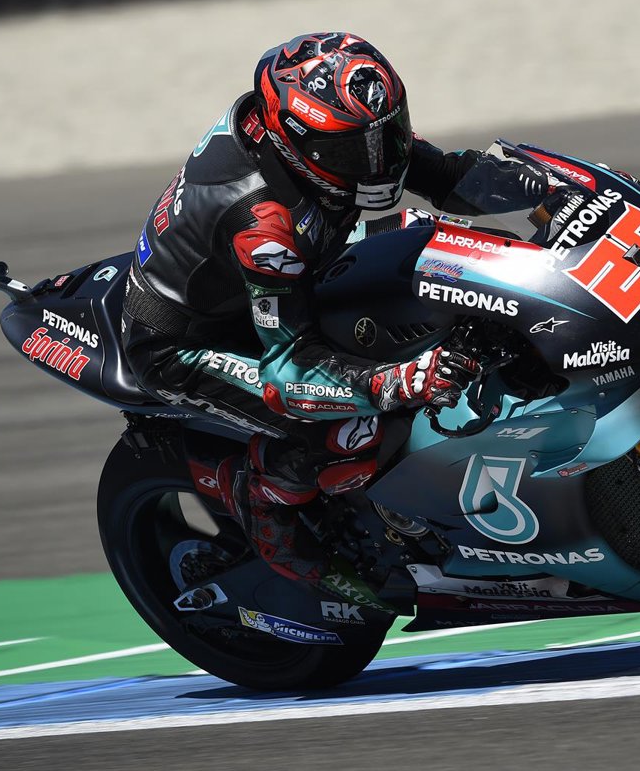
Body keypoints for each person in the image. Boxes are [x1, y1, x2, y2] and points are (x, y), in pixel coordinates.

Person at [121, 32, 545, 583]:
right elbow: (290, 372)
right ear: (299, 143)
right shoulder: (264, 226)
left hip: (291, 275)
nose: (376, 161)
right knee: (349, 429)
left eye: (387, 134)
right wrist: (402, 381)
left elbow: (444, 176)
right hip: (192, 340)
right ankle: (262, 496)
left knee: (453, 256)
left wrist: (553, 192)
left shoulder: (346, 133)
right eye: (353, 151)